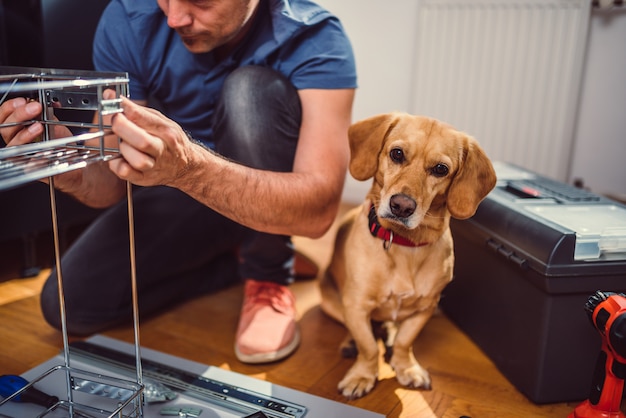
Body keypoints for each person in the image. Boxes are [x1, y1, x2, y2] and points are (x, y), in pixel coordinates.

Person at [0, 0, 356, 364]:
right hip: (183, 190)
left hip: (259, 186)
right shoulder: (130, 20)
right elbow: (110, 186)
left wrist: (189, 166)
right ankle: (236, 257)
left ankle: (268, 272)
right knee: (66, 306)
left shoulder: (316, 38)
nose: (174, 18)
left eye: (199, 2)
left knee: (249, 92)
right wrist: (69, 168)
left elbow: (317, 214)